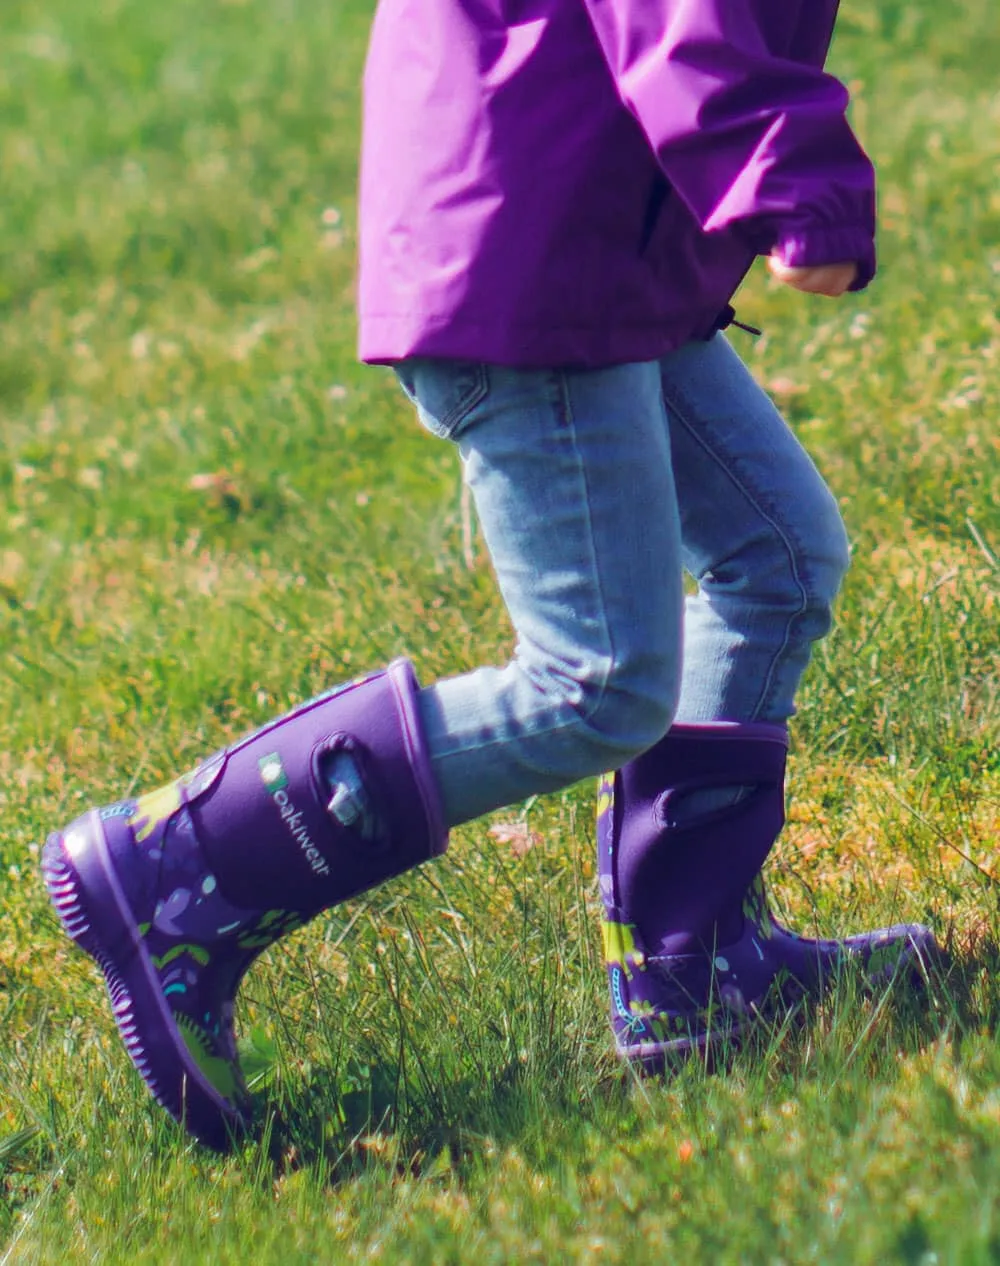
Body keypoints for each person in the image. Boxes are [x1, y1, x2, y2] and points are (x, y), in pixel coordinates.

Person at [43, 0, 940, 1150]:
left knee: (775, 554)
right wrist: (793, 181)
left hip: (590, 232)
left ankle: (694, 966)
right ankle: (177, 865)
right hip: (538, 250)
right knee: (595, 683)